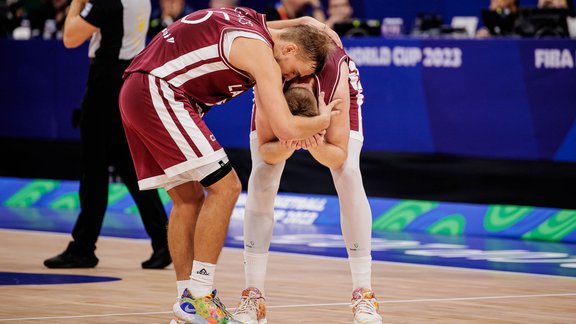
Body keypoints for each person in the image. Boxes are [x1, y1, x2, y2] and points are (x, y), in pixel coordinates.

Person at [118, 6, 339, 323]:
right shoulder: (260, 52)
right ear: (288, 49)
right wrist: (323, 120)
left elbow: (290, 26)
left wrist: (304, 21)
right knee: (227, 187)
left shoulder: (250, 20)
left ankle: (188, 302)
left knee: (188, 199)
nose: (289, 78)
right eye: (294, 71)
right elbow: (286, 128)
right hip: (159, 93)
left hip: (136, 92)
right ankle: (201, 294)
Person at [233, 23, 382, 323]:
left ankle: (364, 295)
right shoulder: (271, 71)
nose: (291, 76)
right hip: (280, 101)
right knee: (262, 176)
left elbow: (337, 155)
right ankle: (253, 296)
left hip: (334, 99)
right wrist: (289, 142)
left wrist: (313, 144)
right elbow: (266, 150)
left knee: (349, 174)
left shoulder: (335, 75)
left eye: (296, 74)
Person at [43, 0, 171, 270]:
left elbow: (69, 38)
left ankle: (83, 248)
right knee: (129, 166)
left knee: (94, 167)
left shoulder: (108, 2)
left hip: (105, 81)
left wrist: (77, 2)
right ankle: (164, 240)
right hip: (129, 79)